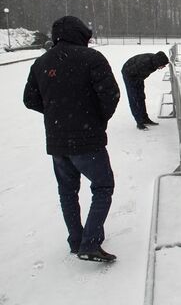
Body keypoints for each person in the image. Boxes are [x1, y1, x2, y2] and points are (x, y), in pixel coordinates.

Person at [23, 16, 120, 262]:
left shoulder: (41, 62)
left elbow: (30, 99)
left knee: (67, 191)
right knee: (103, 186)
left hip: (57, 141)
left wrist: (57, 113)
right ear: (80, 34)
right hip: (88, 139)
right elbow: (111, 95)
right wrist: (97, 119)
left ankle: (76, 240)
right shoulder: (92, 58)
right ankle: (90, 242)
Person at [121, 51, 169, 130]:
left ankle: (145, 118)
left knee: (141, 97)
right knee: (134, 98)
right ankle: (139, 122)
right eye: (163, 65)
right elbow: (135, 73)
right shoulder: (145, 63)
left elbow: (142, 75)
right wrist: (136, 83)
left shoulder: (154, 62)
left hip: (138, 76)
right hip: (129, 74)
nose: (163, 67)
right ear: (158, 62)